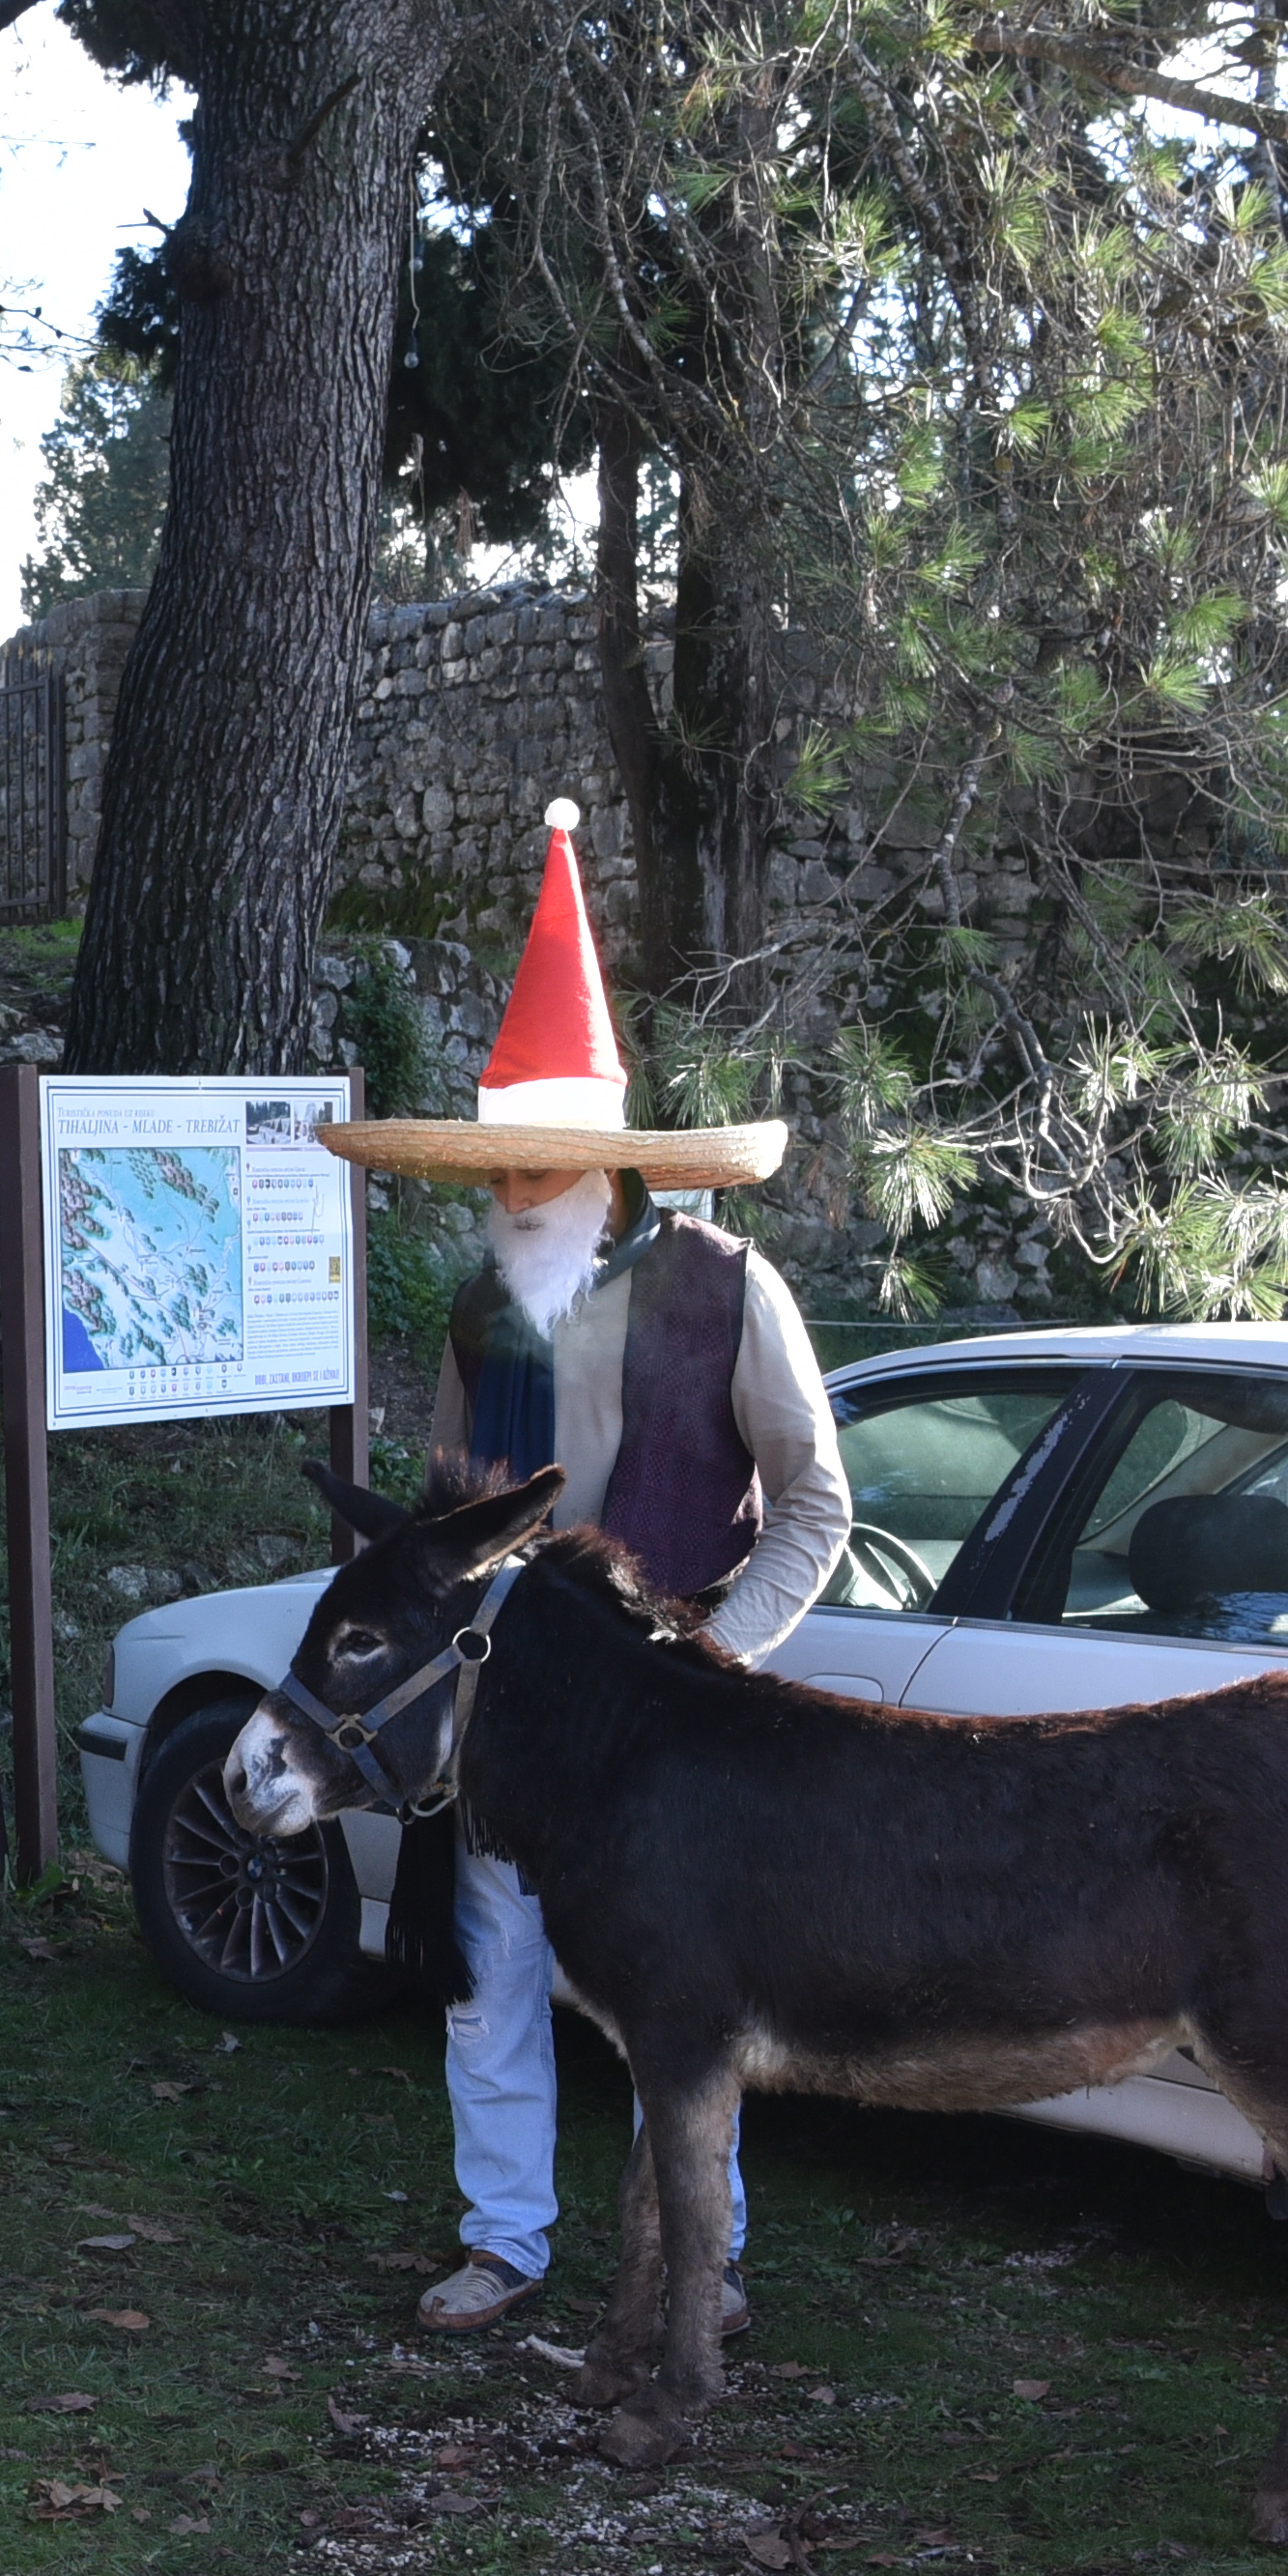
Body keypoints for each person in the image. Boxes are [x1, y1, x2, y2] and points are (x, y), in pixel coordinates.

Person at [317, 802, 837, 2338]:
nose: (511, 1194)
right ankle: (507, 2241)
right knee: (492, 1986)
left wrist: (715, 1664)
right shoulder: (481, 1312)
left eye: (534, 1168)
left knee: (680, 2005)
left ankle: (701, 2259)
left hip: (677, 1743)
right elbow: (438, 1526)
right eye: (498, 1172)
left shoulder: (734, 1291)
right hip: (511, 1731)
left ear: (604, 1170)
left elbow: (816, 1505)